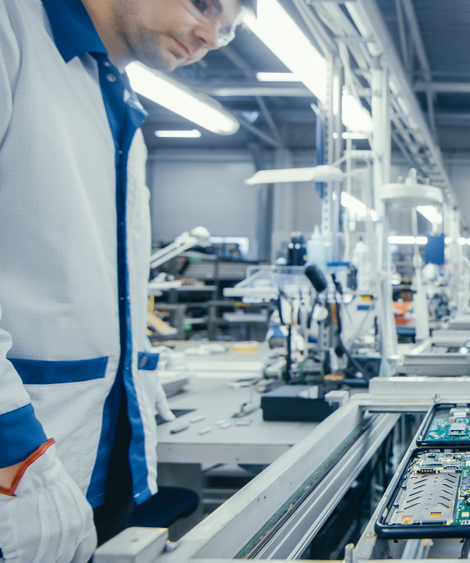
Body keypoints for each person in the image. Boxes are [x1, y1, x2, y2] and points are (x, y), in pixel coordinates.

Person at [0, 0, 252, 561]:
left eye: (229, 29)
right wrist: (10, 443)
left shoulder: (116, 101)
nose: (211, 35)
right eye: (205, 5)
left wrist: (135, 378)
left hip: (92, 458)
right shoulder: (13, 30)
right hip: (17, 454)